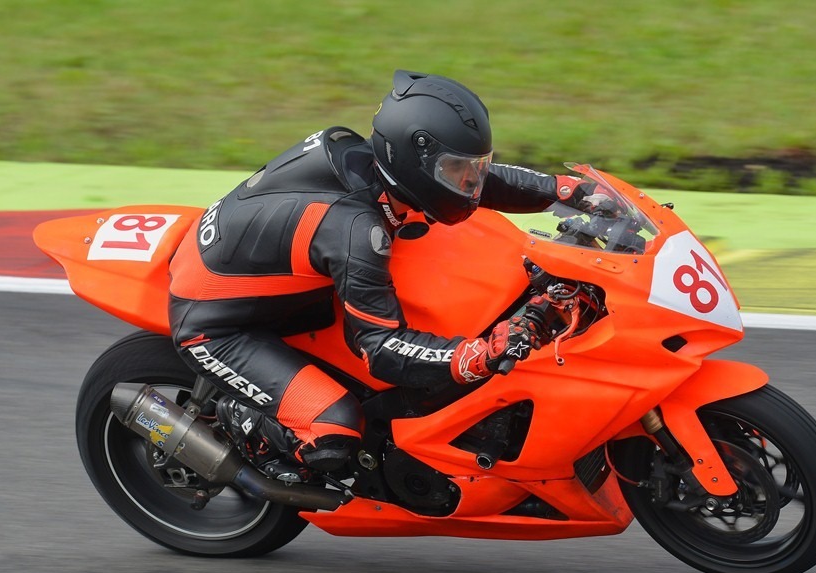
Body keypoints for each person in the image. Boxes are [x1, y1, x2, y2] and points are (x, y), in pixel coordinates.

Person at [168, 69, 602, 475]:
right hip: (217, 324)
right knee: (334, 430)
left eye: (474, 167)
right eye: (458, 171)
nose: (471, 183)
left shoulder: (377, 165)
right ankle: (245, 426)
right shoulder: (355, 231)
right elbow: (380, 349)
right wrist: (479, 355)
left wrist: (565, 190)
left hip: (261, 264)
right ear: (413, 163)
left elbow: (474, 182)